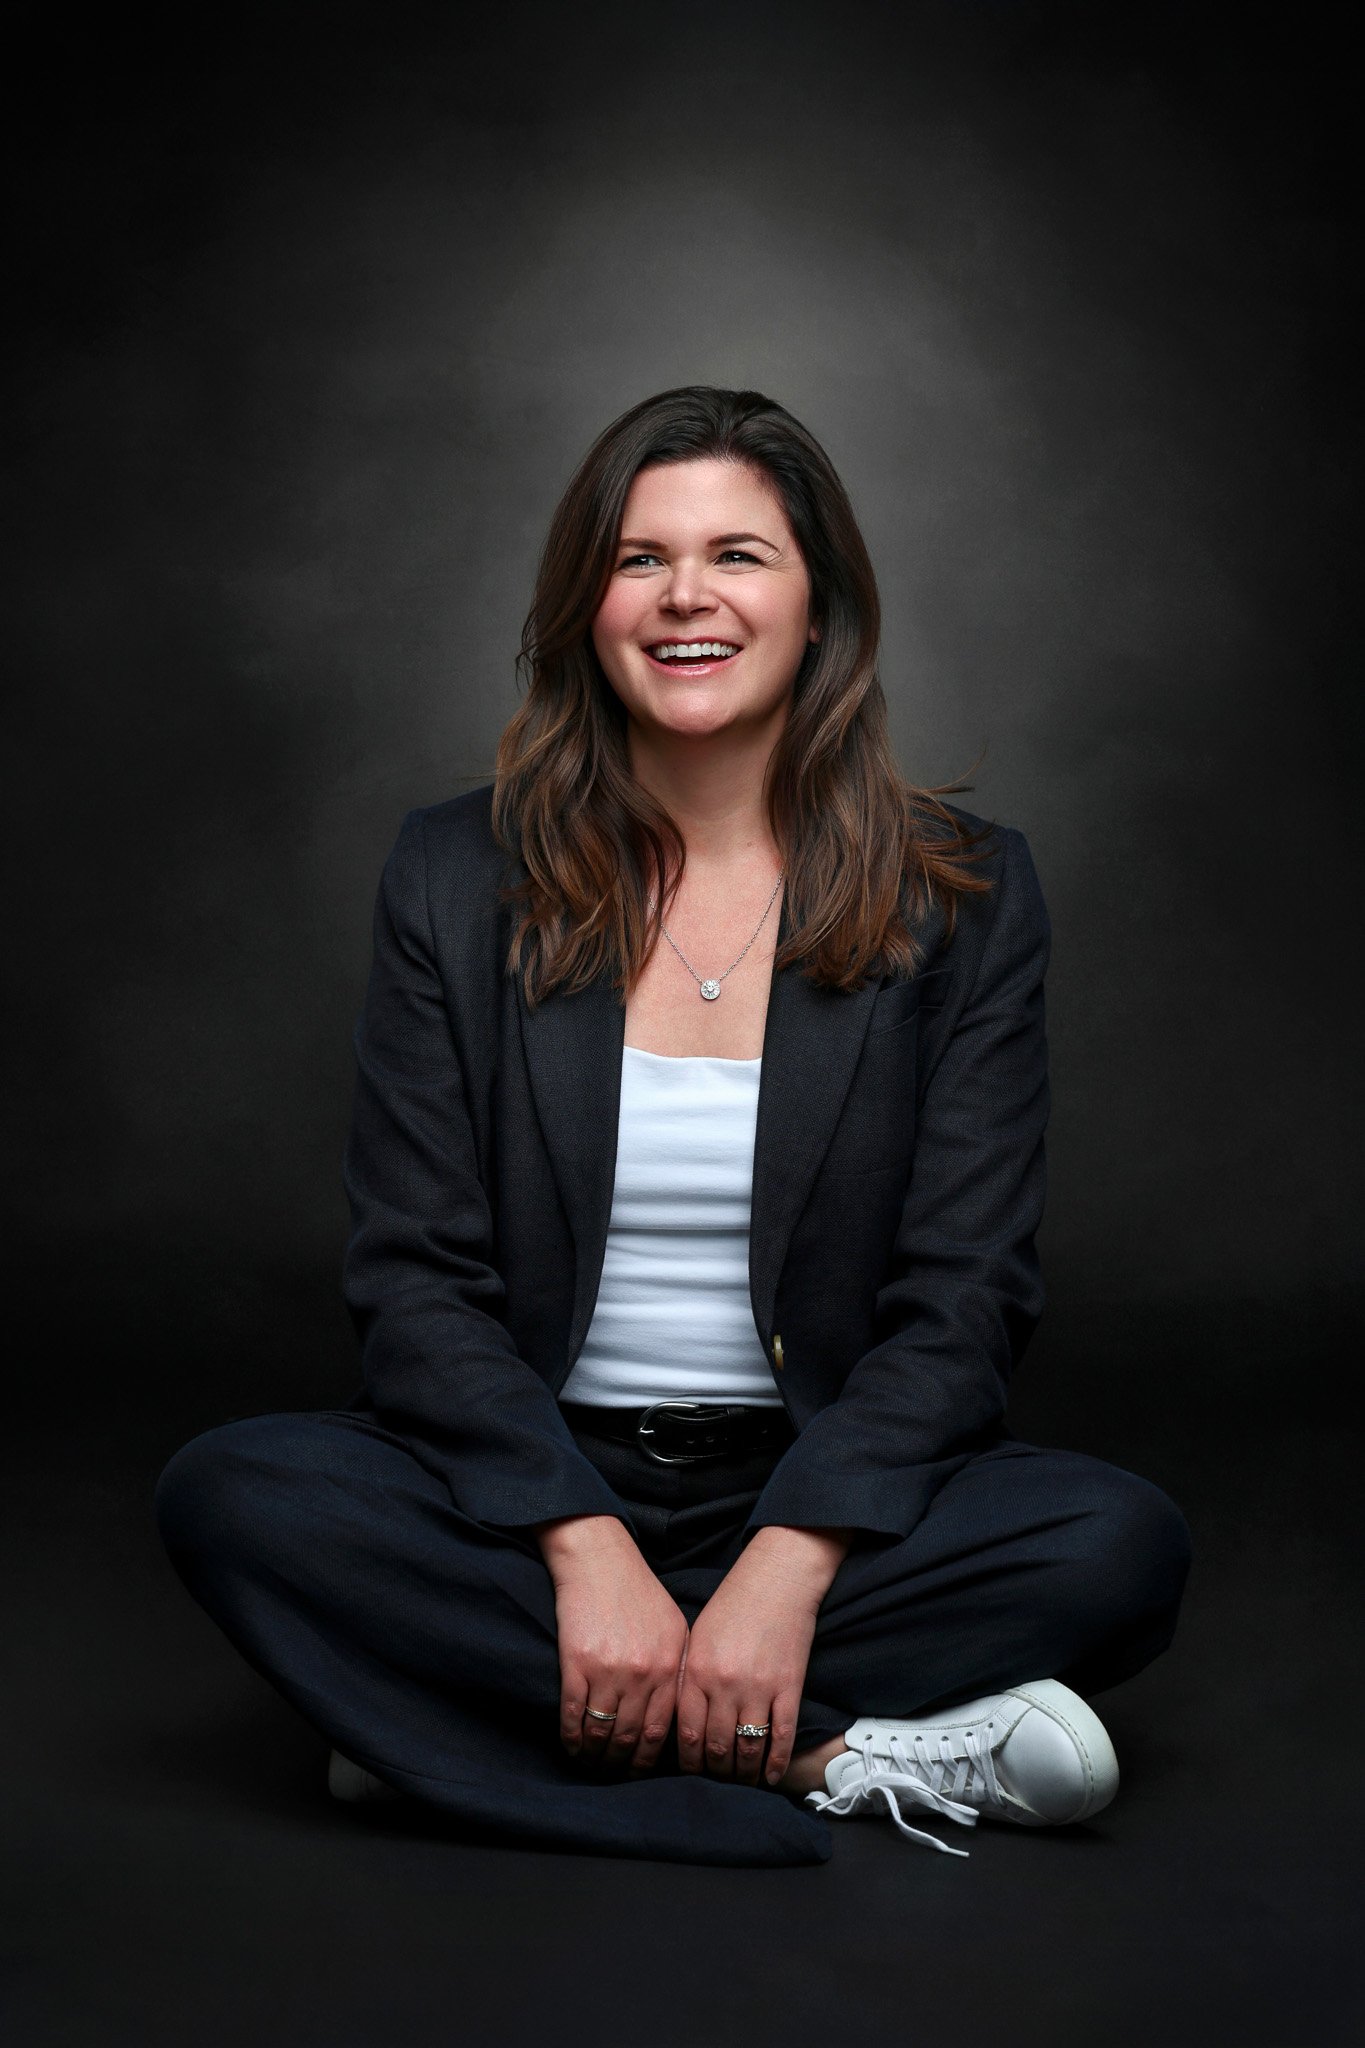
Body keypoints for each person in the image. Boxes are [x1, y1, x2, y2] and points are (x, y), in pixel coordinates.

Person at [154, 385, 1192, 1866]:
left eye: (737, 556)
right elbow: (414, 1278)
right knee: (235, 1497)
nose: (684, 596)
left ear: (819, 609)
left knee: (1115, 1544)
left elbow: (964, 1300)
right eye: (639, 558)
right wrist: (579, 1543)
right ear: (587, 607)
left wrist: (788, 1561)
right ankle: (829, 1754)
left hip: (812, 1481)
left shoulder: (961, 893)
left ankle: (453, 1727)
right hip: (531, 1489)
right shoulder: (451, 875)